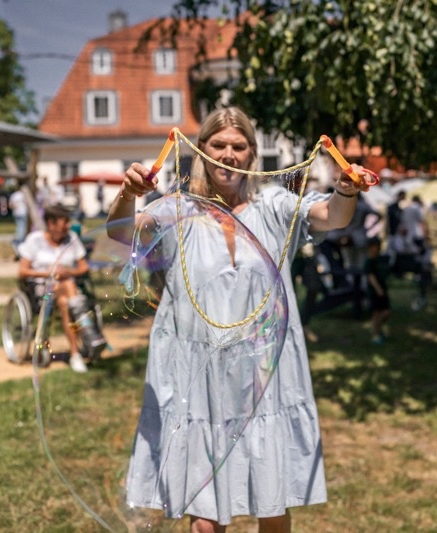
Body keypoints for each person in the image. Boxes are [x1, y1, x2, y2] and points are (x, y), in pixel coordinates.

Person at [106, 106, 371, 532]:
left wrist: (346, 190)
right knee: (204, 516)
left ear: (251, 155)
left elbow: (332, 217)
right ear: (200, 150)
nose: (228, 154)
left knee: (272, 499)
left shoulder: (272, 204)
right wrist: (128, 192)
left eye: (239, 146)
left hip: (266, 370)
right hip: (198, 373)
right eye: (218, 145)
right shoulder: (176, 208)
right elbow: (121, 232)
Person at [17, 204, 92, 373]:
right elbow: (22, 271)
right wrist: (49, 273)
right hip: (42, 291)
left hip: (66, 291)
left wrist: (68, 271)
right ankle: (84, 335)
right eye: (64, 222)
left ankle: (75, 353)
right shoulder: (34, 240)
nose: (68, 226)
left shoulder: (71, 239)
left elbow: (83, 267)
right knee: (67, 287)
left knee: (65, 300)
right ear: (51, 224)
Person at [364, 236, 390, 344]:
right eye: (376, 246)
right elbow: (371, 277)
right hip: (375, 291)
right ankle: (375, 334)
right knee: (376, 313)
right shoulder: (369, 261)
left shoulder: (379, 259)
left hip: (383, 289)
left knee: (386, 312)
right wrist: (378, 288)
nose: (378, 248)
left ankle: (378, 329)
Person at [7, 186, 29, 255]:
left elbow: (10, 205)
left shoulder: (14, 195)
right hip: (23, 213)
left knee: (19, 228)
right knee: (22, 229)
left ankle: (18, 243)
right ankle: (19, 245)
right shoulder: (24, 195)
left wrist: (16, 206)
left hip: (16, 213)